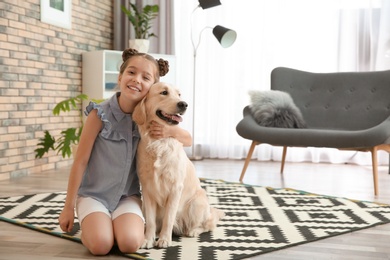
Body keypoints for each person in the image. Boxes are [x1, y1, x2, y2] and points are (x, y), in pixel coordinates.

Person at [58, 48, 192, 255]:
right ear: (120, 77)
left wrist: (169, 130)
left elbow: (188, 139)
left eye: (145, 77)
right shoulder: (99, 114)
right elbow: (80, 162)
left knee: (129, 244)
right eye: (131, 72)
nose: (137, 80)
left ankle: (112, 225)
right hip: (95, 195)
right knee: (101, 245)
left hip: (126, 197)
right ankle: (95, 226)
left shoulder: (150, 118)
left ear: (151, 88)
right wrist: (68, 207)